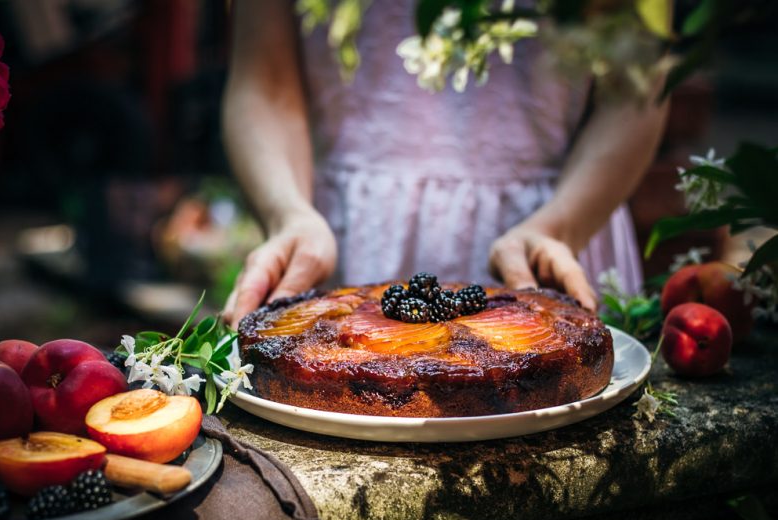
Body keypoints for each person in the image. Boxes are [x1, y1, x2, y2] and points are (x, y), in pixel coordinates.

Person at [221, 0, 668, 328]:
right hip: (343, 229)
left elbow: (638, 86)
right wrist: (288, 213)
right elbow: (265, 84)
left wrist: (562, 227)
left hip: (556, 225)